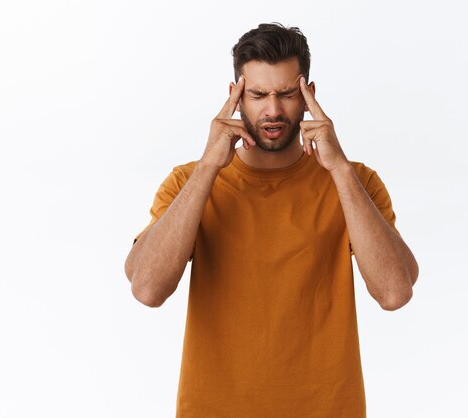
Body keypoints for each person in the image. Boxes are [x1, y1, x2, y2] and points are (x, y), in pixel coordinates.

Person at [124, 22, 419, 417]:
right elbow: (147, 289)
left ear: (309, 96)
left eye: (287, 94)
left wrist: (340, 170)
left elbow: (394, 293)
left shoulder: (355, 181)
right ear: (234, 96)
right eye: (258, 94)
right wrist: (209, 166)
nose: (274, 110)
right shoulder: (187, 182)